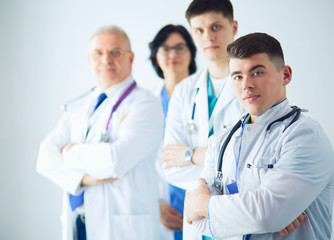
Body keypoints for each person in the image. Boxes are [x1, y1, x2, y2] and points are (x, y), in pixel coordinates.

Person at [184, 32, 334, 239]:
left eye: (257, 73)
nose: (246, 85)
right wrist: (263, 217)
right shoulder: (221, 142)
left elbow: (266, 215)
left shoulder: (304, 136)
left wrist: (202, 204)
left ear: (286, 75)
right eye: (237, 76)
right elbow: (197, 222)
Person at [36, 25, 163, 240]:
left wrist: (68, 152)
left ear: (130, 58)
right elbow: (44, 158)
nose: (106, 60)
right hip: (79, 225)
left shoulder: (146, 104)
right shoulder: (80, 106)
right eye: (98, 53)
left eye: (115, 52)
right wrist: (84, 178)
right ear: (89, 60)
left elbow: (115, 160)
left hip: (123, 229)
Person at [162, 1, 244, 239]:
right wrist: (227, 173)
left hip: (239, 219)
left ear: (234, 27)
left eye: (216, 27)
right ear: (192, 35)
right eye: (199, 30)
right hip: (197, 223)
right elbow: (170, 167)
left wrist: (191, 155)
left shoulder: (252, 85)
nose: (208, 37)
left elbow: (254, 160)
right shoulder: (184, 91)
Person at [149, 24, 197, 240]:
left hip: (202, 201)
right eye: (165, 49)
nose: (173, 54)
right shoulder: (145, 104)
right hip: (160, 208)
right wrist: (153, 207)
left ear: (192, 52)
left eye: (180, 47)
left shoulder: (203, 98)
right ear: (155, 56)